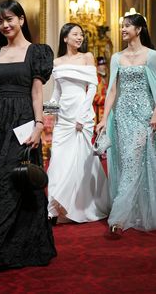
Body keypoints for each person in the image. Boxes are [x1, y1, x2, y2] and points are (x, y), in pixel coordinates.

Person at [0, 0, 56, 275]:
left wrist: (39, 125)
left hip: (24, 122)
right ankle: (5, 246)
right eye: (1, 21)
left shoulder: (37, 52)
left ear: (21, 19)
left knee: (11, 183)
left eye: (10, 19)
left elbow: (37, 93)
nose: (5, 25)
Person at [96, 13, 156, 233]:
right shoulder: (116, 57)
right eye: (122, 26)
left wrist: (155, 113)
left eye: (127, 26)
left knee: (134, 159)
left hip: (144, 116)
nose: (122, 29)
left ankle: (118, 219)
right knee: (127, 160)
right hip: (122, 116)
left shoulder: (151, 56)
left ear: (139, 29)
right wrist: (103, 118)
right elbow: (112, 89)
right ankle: (133, 212)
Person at [47, 23, 110, 224]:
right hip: (62, 118)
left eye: (81, 34)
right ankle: (56, 206)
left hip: (81, 115)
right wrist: (50, 115)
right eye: (75, 34)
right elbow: (56, 92)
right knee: (58, 158)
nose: (79, 37)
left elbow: (92, 87)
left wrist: (83, 116)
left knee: (80, 160)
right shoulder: (56, 62)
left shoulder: (87, 57)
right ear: (65, 38)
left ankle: (79, 206)